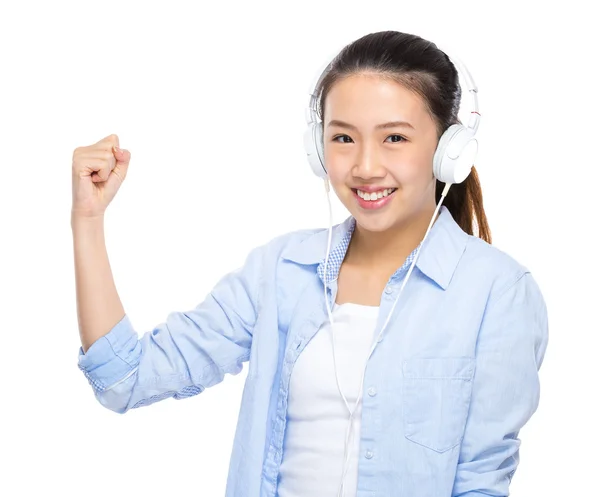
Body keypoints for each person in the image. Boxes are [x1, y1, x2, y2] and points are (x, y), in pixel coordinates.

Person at [72, 30, 549, 497]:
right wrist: (87, 221)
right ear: (318, 148)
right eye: (343, 138)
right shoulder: (279, 271)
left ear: (450, 151)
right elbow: (124, 380)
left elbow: (480, 484)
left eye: (395, 138)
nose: (364, 166)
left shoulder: (498, 293)